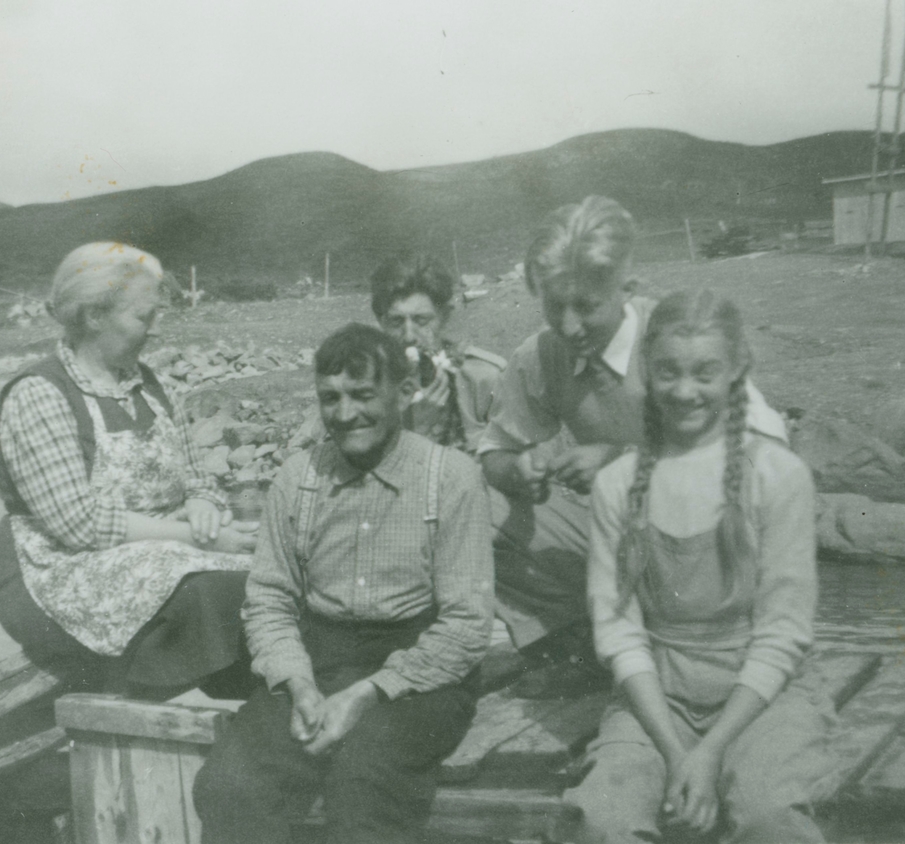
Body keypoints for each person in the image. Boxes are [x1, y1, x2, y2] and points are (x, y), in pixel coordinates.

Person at [193, 323, 494, 844]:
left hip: (419, 679)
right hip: (319, 662)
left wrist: (365, 695)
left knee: (364, 785)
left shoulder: (450, 478)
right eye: (329, 398)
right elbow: (268, 598)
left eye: (362, 394)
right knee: (228, 786)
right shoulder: (297, 478)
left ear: (403, 393)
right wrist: (297, 681)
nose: (345, 413)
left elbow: (467, 625)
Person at [478, 196, 788, 688]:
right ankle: (573, 646)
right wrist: (516, 471)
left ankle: (702, 646)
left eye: (586, 307)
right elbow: (492, 452)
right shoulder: (540, 355)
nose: (569, 325)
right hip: (626, 539)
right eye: (554, 306)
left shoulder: (679, 338)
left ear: (627, 287)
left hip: (708, 538)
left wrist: (620, 459)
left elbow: (766, 451)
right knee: (480, 508)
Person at [563, 289, 834, 843]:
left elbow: (783, 632)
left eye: (704, 373)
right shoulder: (617, 485)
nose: (685, 392)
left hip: (765, 698)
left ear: (737, 372)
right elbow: (618, 632)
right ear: (646, 372)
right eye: (668, 373)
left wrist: (708, 753)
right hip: (657, 698)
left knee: (766, 814)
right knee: (602, 818)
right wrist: (674, 750)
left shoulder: (778, 477)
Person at [0, 242, 258, 698]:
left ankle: (264, 695)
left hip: (148, 548)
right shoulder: (40, 393)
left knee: (269, 561)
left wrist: (201, 505)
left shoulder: (146, 384)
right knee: (212, 587)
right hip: (57, 571)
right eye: (143, 316)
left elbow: (196, 476)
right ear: (94, 316)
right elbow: (78, 525)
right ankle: (141, 699)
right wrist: (193, 537)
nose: (156, 330)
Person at [294, 252, 505, 455]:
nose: (409, 336)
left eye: (421, 320)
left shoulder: (484, 378)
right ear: (381, 321)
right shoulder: (362, 380)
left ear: (444, 316)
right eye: (396, 321)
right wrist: (421, 429)